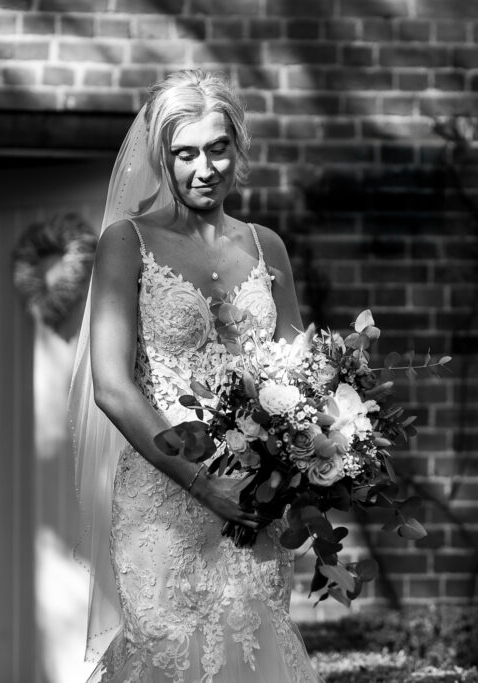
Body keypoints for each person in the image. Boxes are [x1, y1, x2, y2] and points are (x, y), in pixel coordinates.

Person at [68, 69, 322, 682]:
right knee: (170, 657)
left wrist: (301, 465)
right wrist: (203, 484)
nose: (204, 167)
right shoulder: (126, 243)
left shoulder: (268, 246)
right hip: (162, 499)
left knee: (252, 654)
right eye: (185, 153)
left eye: (217, 148)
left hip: (253, 500)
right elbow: (113, 387)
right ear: (162, 157)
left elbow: (300, 376)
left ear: (239, 148)